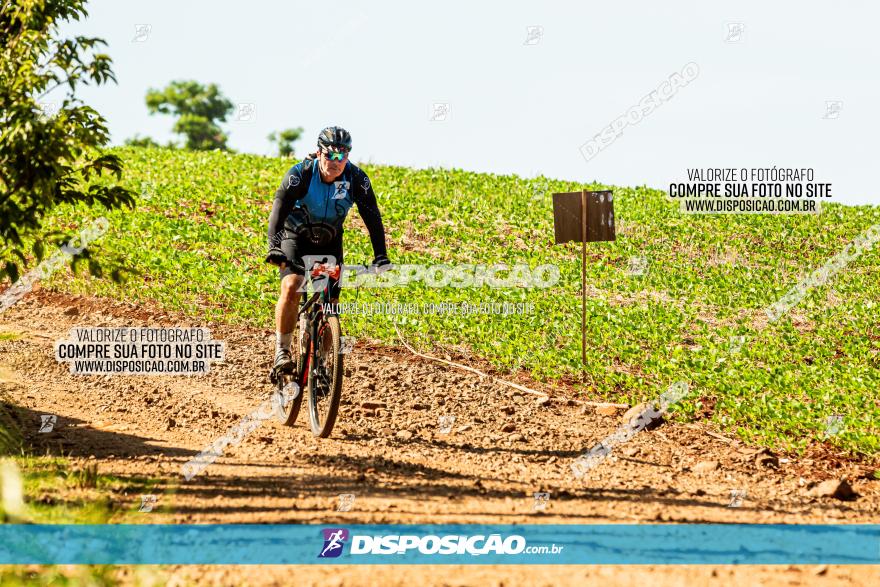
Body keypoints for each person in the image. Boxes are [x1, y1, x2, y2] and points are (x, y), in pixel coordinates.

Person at [265, 126, 390, 376]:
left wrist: (380, 255)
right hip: (295, 238)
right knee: (292, 285)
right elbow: (278, 211)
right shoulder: (301, 174)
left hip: (328, 243)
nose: (336, 162)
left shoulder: (356, 179)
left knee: (330, 303)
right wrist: (274, 247)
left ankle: (321, 364)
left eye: (342, 156)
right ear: (319, 152)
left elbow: (373, 218)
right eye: (330, 155)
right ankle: (282, 351)